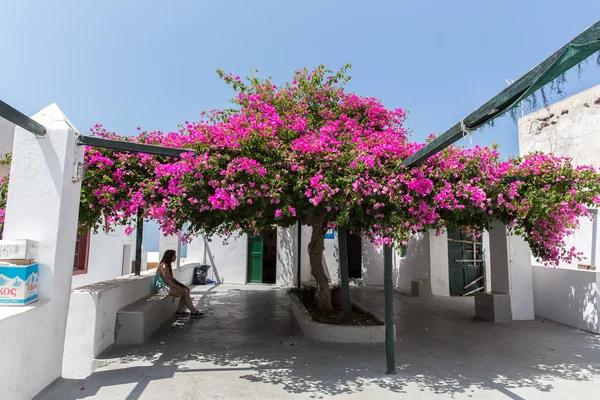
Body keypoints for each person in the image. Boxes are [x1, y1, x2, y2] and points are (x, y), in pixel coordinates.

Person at [156, 249, 204, 317]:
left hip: (167, 285)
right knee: (184, 292)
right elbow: (167, 280)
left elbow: (172, 279)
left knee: (186, 290)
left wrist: (181, 286)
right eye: (174, 256)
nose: (175, 257)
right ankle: (193, 311)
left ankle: (181, 311)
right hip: (163, 287)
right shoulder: (164, 266)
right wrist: (179, 287)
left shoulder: (168, 265)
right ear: (170, 256)